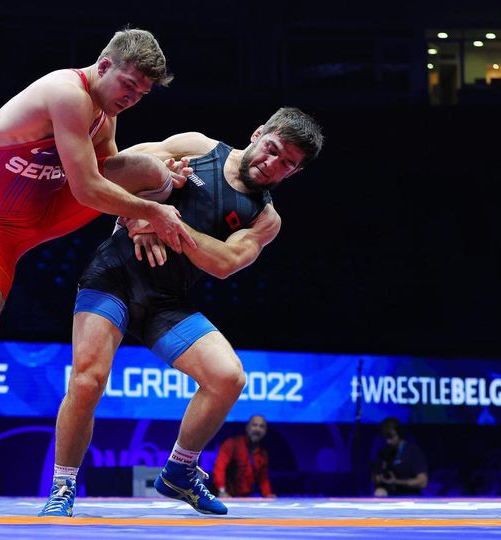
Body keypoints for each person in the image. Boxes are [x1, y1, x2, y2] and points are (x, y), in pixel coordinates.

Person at [0, 27, 196, 517]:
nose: (132, 98)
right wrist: (153, 211)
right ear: (104, 65)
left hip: (47, 210)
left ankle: (150, 212)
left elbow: (112, 172)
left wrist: (148, 202)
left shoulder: (105, 113)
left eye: (142, 94)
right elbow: (87, 190)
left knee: (151, 169)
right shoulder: (66, 92)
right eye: (129, 85)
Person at [39, 107, 323, 516]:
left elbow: (224, 262)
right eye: (273, 148)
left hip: (165, 301)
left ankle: (180, 470)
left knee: (227, 377)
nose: (272, 163)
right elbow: (109, 172)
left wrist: (162, 220)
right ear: (259, 132)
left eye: (287, 164)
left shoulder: (265, 219)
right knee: (88, 380)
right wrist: (136, 211)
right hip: (114, 277)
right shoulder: (197, 147)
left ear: (294, 173)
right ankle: (63, 486)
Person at [212, 415, 274, 498]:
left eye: (261, 426)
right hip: (225, 496)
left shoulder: (263, 453)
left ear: (265, 431)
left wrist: (268, 495)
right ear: (247, 427)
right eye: (254, 425)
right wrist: (222, 490)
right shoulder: (232, 444)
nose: (257, 429)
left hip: (245, 499)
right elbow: (219, 468)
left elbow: (263, 479)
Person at [372, 417, 428, 497]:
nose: (388, 441)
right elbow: (375, 477)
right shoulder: (383, 453)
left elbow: (423, 482)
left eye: (391, 437)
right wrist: (379, 478)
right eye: (386, 438)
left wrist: (397, 482)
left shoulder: (413, 452)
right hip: (390, 495)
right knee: (379, 493)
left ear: (399, 434)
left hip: (410, 496)